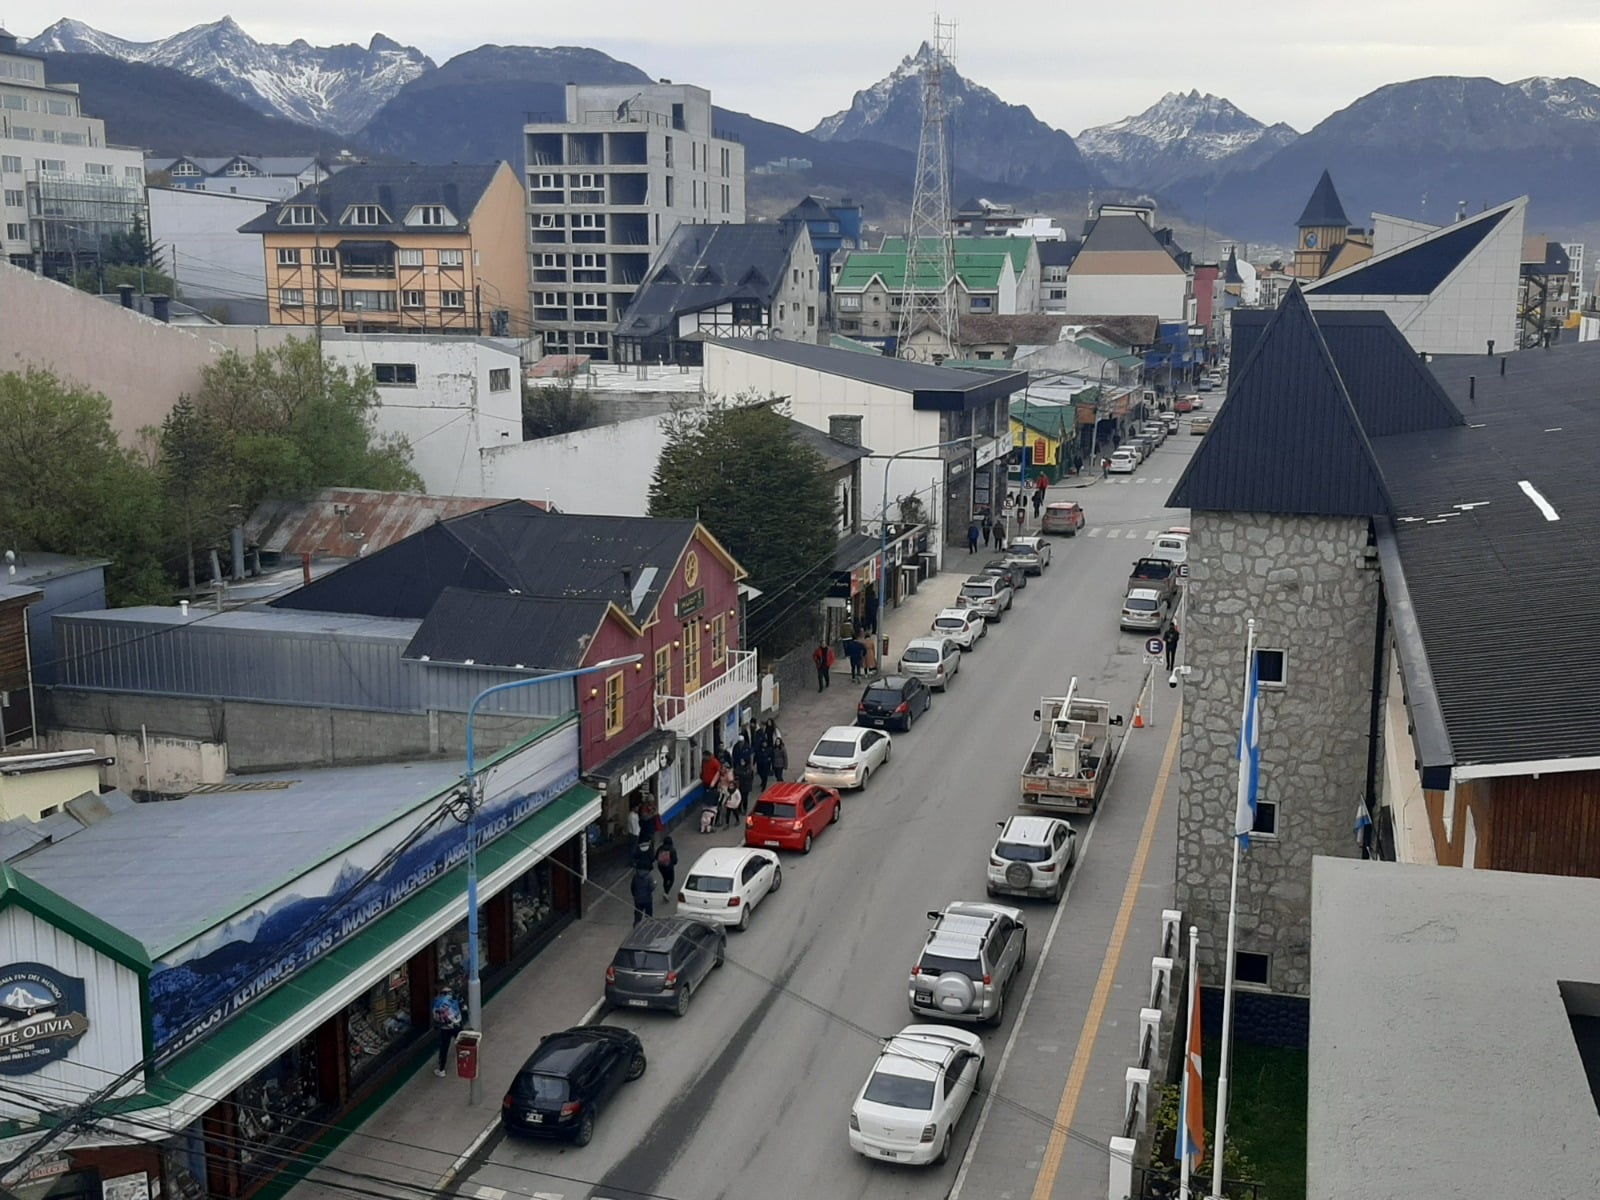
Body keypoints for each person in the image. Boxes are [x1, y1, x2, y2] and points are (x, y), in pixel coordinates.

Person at [430, 988, 462, 1077]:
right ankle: (466, 1061)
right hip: (457, 1025)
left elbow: (437, 1017)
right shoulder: (453, 998)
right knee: (461, 1044)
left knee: (444, 1048)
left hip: (445, 1029)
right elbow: (461, 1006)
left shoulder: (438, 1002)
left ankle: (441, 1069)